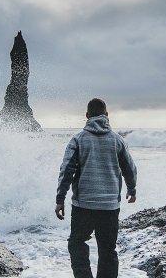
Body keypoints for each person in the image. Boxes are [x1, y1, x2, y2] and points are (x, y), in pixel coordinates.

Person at [55, 98, 138, 278]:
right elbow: (130, 168)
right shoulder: (118, 141)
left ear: (86, 116)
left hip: (83, 205)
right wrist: (132, 189)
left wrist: (60, 199)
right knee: (108, 250)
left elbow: (66, 170)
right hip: (109, 206)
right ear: (107, 115)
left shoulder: (78, 140)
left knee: (77, 244)